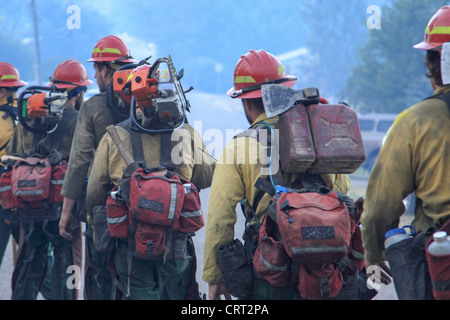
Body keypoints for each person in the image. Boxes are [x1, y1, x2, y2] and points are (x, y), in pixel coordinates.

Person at [202, 49, 352, 300]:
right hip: (324, 272)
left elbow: (220, 219)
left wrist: (215, 276)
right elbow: (343, 190)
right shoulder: (318, 138)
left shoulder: (239, 148)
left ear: (246, 102)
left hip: (271, 271)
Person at [85, 61, 216, 300]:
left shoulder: (114, 136)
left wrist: (95, 227)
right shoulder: (185, 133)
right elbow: (207, 176)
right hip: (175, 245)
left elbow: (94, 192)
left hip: (131, 248)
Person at [361, 5, 450, 298]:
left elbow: (378, 207)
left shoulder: (414, 121)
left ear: (433, 64)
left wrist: (373, 256)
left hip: (441, 260)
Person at [58, 35, 137, 300]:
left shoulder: (92, 107)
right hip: (146, 204)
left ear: (106, 70)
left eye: (96, 69)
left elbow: (79, 161)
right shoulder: (147, 101)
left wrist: (67, 211)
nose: (95, 75)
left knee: (99, 274)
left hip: (104, 208)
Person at [6, 59, 92, 300]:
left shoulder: (27, 117)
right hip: (63, 206)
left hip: (28, 203)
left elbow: (11, 158)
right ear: (78, 91)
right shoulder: (78, 120)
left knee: (28, 261)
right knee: (68, 265)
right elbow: (85, 165)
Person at [0, 62, 27, 268]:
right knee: (32, 255)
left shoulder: (2, 119)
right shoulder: (26, 113)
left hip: (4, 188)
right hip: (25, 188)